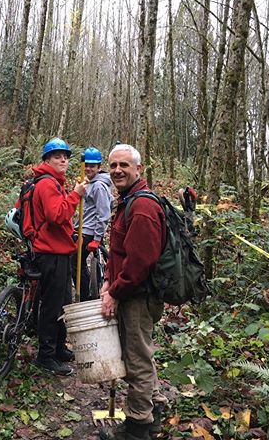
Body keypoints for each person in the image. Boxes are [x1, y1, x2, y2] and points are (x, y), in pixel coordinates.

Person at [99, 144, 167, 440]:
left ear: (138, 169)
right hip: (129, 292)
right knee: (141, 355)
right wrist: (106, 280)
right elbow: (118, 251)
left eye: (124, 165)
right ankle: (156, 409)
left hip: (138, 297)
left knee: (136, 362)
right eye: (113, 165)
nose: (117, 171)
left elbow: (139, 264)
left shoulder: (142, 207)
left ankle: (138, 426)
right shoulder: (127, 200)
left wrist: (115, 291)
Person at [26, 138, 86, 376]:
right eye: (57, 156)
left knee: (63, 303)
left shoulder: (53, 182)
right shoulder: (48, 184)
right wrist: (76, 195)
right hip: (49, 253)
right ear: (46, 160)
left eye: (65, 156)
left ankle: (59, 348)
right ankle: (46, 355)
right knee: (52, 306)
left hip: (58, 251)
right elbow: (56, 215)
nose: (63, 160)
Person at [71, 147, 114, 301]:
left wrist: (96, 238)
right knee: (76, 262)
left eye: (92, 166)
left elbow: (104, 214)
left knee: (75, 264)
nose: (88, 168)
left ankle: (84, 297)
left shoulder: (99, 186)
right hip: (83, 228)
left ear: (99, 167)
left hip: (89, 232)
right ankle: (88, 289)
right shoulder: (90, 182)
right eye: (86, 165)